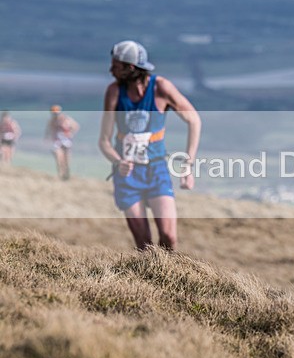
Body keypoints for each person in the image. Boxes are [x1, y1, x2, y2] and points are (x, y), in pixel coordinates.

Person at [99, 40, 201, 250]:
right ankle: (148, 282)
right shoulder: (114, 93)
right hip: (127, 175)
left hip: (156, 170)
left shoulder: (161, 88)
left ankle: (168, 279)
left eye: (115, 66)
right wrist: (118, 162)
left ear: (131, 68)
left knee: (168, 237)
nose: (110, 71)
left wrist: (188, 166)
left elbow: (194, 120)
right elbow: (104, 141)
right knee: (144, 244)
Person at [45, 105, 80, 180]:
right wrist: (48, 137)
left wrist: (71, 133)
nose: (55, 115)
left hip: (67, 140)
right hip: (57, 141)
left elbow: (76, 126)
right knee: (58, 157)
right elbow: (48, 129)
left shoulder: (67, 119)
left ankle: (66, 174)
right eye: (54, 113)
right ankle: (60, 175)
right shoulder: (51, 121)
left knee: (67, 159)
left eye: (56, 113)